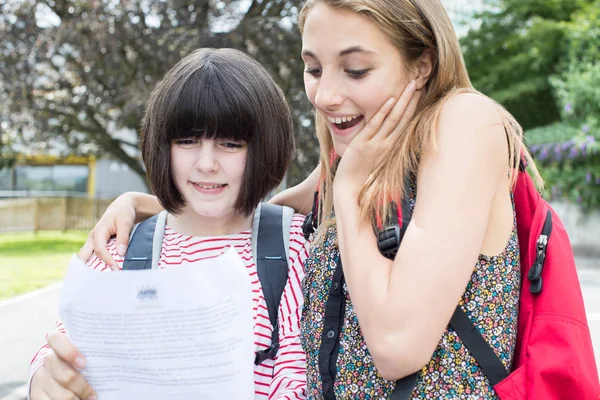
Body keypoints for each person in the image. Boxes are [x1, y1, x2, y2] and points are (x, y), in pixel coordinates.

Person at [80, 0, 545, 399]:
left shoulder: (465, 123)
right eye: (314, 68)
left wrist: (346, 191)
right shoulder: (360, 156)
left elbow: (398, 346)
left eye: (355, 69)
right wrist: (150, 208)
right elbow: (257, 214)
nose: (324, 95)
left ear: (421, 64)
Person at [29, 48, 309, 400]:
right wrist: (46, 379)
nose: (206, 163)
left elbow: (297, 379)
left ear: (266, 148)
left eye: (231, 144)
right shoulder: (122, 248)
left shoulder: (294, 245)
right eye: (187, 141)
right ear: (163, 146)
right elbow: (63, 346)